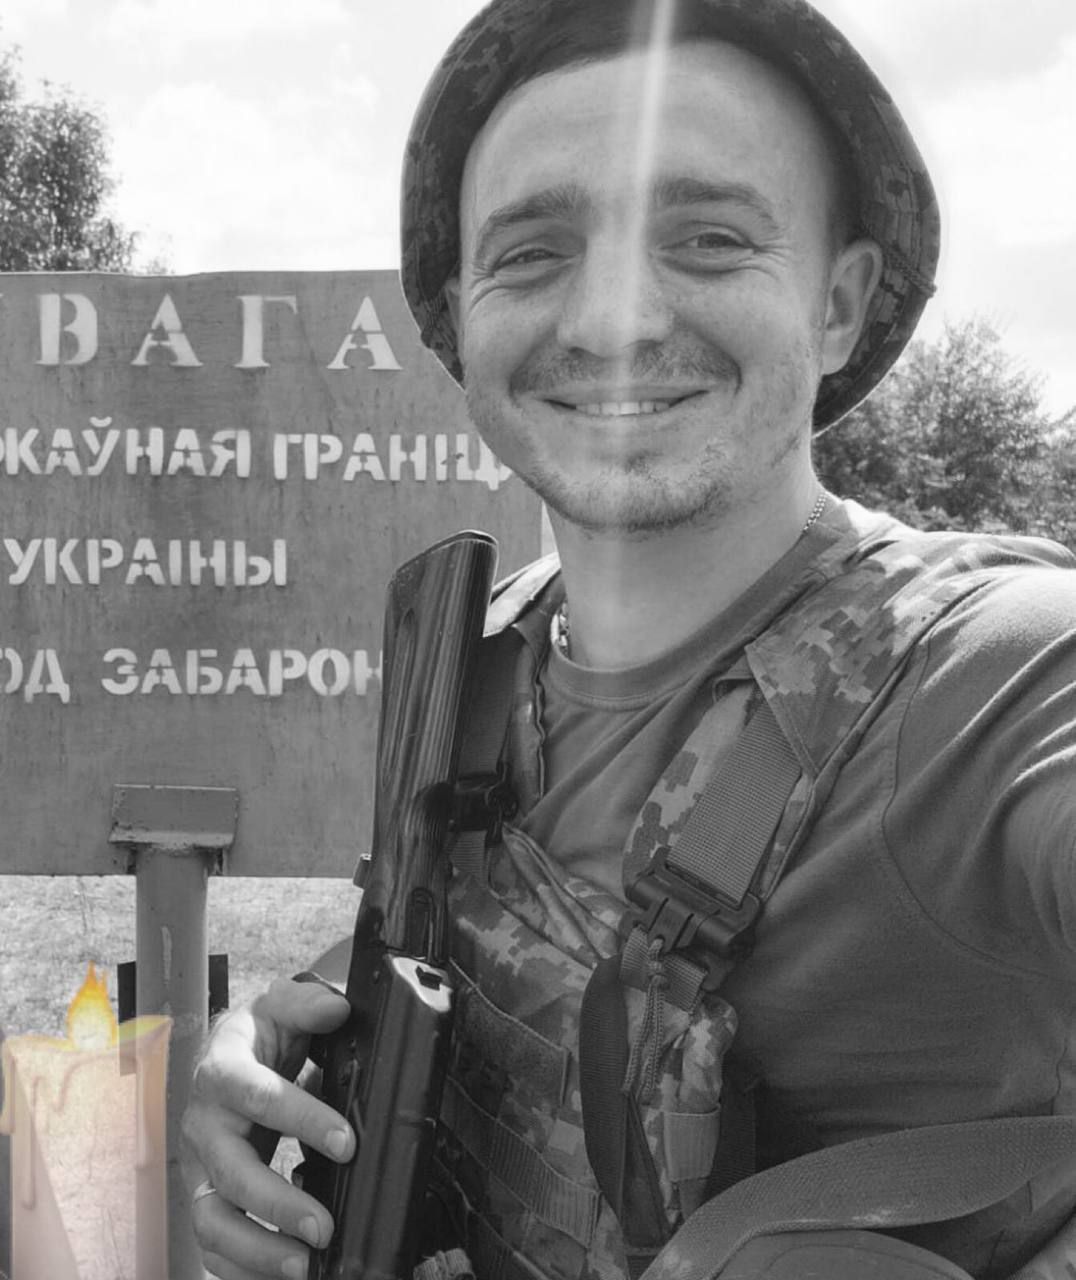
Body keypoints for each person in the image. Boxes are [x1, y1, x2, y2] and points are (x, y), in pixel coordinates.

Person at [181, 1, 1076, 1278]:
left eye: (707, 238)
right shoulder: (479, 655)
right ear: (461, 315)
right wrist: (288, 1030)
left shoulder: (997, 675)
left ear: (836, 303)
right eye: (531, 251)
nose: (610, 320)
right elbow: (464, 929)